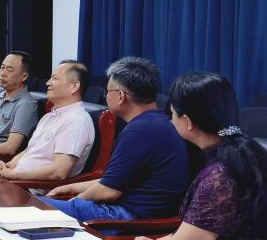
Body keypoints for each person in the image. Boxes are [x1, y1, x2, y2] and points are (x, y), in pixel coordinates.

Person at [129, 73, 267, 240]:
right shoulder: (245, 153)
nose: (171, 120)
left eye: (172, 114)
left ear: (187, 121)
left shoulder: (221, 175)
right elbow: (203, 233)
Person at [40, 56, 189, 222]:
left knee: (32, 206)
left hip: (127, 217)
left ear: (120, 96)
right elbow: (114, 180)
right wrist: (71, 187)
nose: (105, 97)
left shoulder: (139, 131)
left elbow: (108, 191)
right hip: (136, 212)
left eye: (107, 92)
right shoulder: (156, 122)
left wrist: (75, 200)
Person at [0, 60, 95, 181]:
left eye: (55, 78)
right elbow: (30, 151)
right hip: (15, 180)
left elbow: (59, 171)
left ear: (74, 86)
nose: (48, 83)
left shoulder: (76, 121)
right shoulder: (49, 116)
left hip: (29, 188)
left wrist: (14, 175)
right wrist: (7, 167)